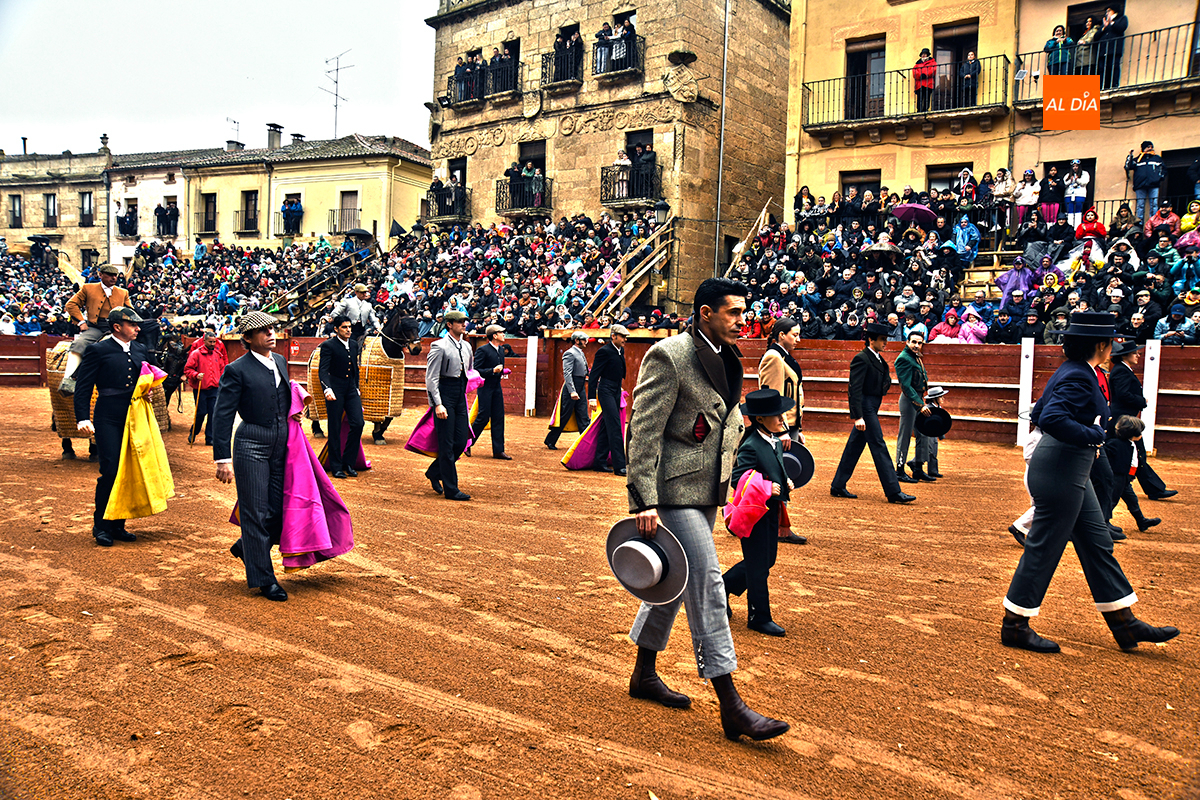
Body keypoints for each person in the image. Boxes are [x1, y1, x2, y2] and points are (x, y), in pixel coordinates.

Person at [625, 276, 789, 742]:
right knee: (709, 582)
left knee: (673, 585)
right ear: (705, 313)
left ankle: (643, 674)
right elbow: (644, 431)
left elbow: (722, 417)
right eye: (734, 312)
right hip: (673, 494)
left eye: (743, 311)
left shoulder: (728, 356)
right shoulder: (670, 354)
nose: (743, 320)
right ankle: (730, 703)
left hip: (707, 491)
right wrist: (645, 499)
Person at [1001, 311, 1179, 653]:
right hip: (1060, 470)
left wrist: (1087, 436)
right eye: (1112, 340)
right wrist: (1094, 434)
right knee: (1045, 547)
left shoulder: (1080, 372)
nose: (1114, 345)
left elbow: (1038, 414)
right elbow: (1051, 417)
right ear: (1101, 343)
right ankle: (1015, 624)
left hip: (1068, 469)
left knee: (1098, 543)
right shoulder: (1080, 376)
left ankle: (1124, 623)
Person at [212, 311, 294, 602]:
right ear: (247, 338)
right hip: (251, 445)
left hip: (281, 444)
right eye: (263, 330)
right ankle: (264, 578)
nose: (271, 334)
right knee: (255, 512)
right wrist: (222, 457)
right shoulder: (237, 369)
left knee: (280, 510)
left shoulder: (281, 362)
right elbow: (222, 414)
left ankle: (247, 547)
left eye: (272, 328)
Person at [73, 307, 150, 547]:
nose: (138, 328)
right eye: (132, 324)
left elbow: (149, 377)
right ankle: (102, 525)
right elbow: (84, 386)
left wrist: (146, 391)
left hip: (134, 416)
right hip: (108, 416)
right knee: (111, 469)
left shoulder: (140, 349)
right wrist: (83, 417)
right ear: (117, 327)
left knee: (129, 470)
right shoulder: (98, 350)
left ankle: (118, 524)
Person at [723, 389, 795, 637]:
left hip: (769, 510)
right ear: (760, 419)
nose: (781, 418)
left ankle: (723, 586)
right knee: (758, 565)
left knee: (766, 561)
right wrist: (767, 487)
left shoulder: (771, 439)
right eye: (776, 414)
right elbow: (737, 478)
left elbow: (775, 467)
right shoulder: (752, 445)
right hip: (755, 513)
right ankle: (758, 616)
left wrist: (784, 481)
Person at [830, 321, 915, 504]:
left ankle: (837, 485)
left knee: (854, 446)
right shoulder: (862, 358)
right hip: (866, 408)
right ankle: (893, 491)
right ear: (871, 340)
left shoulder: (876, 358)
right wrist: (858, 416)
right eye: (882, 339)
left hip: (872, 406)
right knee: (878, 445)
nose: (885, 343)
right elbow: (855, 389)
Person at [1107, 340, 1178, 501]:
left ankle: (1152, 488)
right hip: (1123, 421)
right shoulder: (1121, 371)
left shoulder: (1122, 370)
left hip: (1123, 418)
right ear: (1125, 355)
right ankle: (1151, 489)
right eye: (1135, 353)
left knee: (1135, 453)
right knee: (1135, 453)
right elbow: (1123, 394)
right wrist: (1141, 401)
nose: (1138, 355)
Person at [757, 317, 807, 545]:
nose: (798, 339)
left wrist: (797, 427)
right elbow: (772, 398)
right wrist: (781, 429)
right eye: (794, 334)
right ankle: (777, 528)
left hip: (788, 426)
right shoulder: (773, 357)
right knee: (778, 477)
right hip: (780, 428)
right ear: (781, 336)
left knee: (780, 477)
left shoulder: (782, 357)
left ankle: (776, 526)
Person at [424, 310, 474, 501]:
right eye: (460, 322)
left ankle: (434, 471)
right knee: (446, 443)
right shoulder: (439, 346)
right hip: (445, 394)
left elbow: (468, 371)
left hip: (459, 394)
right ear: (449, 325)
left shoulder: (467, 347)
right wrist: (437, 404)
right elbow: (431, 378)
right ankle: (451, 489)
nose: (464, 324)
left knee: (461, 442)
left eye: (465, 321)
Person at [59, 264, 131, 396]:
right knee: (80, 343)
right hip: (95, 327)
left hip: (117, 329)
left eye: (115, 275)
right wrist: (81, 322)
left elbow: (130, 312)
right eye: (109, 275)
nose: (113, 278)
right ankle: (68, 380)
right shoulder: (88, 288)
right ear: (100, 275)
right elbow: (71, 304)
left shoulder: (123, 292)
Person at [319, 316, 365, 479]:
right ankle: (336, 466)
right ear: (336, 329)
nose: (348, 330)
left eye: (349, 327)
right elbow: (323, 371)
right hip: (335, 389)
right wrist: (327, 389)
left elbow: (355, 368)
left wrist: (357, 387)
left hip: (350, 388)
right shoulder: (327, 346)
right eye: (344, 327)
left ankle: (349, 462)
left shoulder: (353, 344)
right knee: (335, 428)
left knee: (358, 423)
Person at [1103, 416, 1161, 533]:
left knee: (1132, 500)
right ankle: (1104, 523)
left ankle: (1141, 521)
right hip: (1117, 478)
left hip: (1125, 478)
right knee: (1111, 500)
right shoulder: (1114, 444)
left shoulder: (1129, 443)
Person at [894, 330, 936, 484]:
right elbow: (905, 386)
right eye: (914, 342)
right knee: (905, 435)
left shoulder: (915, 357)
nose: (916, 345)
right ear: (907, 342)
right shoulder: (904, 359)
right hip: (909, 400)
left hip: (918, 397)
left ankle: (918, 468)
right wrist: (920, 405)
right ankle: (899, 469)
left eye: (919, 343)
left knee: (923, 433)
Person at [589, 324, 628, 475]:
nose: (625, 339)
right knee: (615, 426)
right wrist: (592, 397)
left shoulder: (620, 350)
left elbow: (617, 371)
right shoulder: (604, 351)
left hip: (615, 390)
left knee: (607, 426)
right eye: (623, 336)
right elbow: (594, 375)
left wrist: (619, 387)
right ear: (614, 336)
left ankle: (599, 461)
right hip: (605, 390)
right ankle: (619, 466)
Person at [468, 324, 511, 459]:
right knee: (483, 417)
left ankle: (498, 450)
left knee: (498, 417)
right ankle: (467, 443)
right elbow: (476, 370)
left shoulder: (500, 350)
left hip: (496, 387)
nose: (504, 335)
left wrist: (501, 371)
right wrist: (492, 371)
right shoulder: (483, 350)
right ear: (494, 335)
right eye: (501, 333)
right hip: (485, 387)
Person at [545, 331, 590, 449]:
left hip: (580, 386)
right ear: (576, 340)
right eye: (584, 339)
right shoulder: (569, 353)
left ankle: (585, 442)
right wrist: (572, 391)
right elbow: (567, 373)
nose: (586, 342)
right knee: (564, 415)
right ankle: (550, 440)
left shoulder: (580, 352)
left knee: (583, 415)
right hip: (572, 386)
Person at [184, 328, 227, 446]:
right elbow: (187, 369)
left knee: (213, 414)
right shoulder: (196, 354)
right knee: (201, 413)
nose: (213, 344)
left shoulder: (218, 355)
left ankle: (210, 438)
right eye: (210, 342)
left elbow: (223, 369)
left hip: (214, 389)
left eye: (214, 342)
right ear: (204, 341)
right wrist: (196, 375)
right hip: (200, 389)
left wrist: (222, 379)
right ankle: (193, 432)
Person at [1125, 141, 1163, 225]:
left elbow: (1163, 169)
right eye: (1148, 147)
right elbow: (1128, 166)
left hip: (1154, 184)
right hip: (1140, 185)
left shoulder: (1157, 158)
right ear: (1144, 148)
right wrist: (1130, 156)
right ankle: (1139, 223)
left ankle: (1153, 223)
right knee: (1140, 205)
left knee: (1154, 204)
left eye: (1151, 147)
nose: (1150, 148)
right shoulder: (1138, 159)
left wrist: (1159, 178)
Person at [1095, 4, 1128, 90]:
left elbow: (1121, 28)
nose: (1107, 13)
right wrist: (1103, 28)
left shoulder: (1121, 19)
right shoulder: (1104, 24)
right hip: (1103, 51)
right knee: (1102, 69)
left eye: (1108, 11)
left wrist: (1112, 23)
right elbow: (1096, 37)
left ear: (1114, 10)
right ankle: (1102, 87)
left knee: (1113, 67)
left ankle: (1114, 86)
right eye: (1106, 12)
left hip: (1114, 49)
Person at [1063, 160, 1090, 228]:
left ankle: (1077, 227)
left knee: (1078, 211)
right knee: (1069, 212)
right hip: (1068, 195)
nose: (1075, 168)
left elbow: (1085, 182)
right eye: (1073, 166)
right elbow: (1064, 184)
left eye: (1076, 166)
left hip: (1080, 194)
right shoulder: (1068, 175)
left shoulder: (1084, 173)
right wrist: (1070, 180)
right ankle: (1070, 227)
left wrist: (1077, 179)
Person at [912, 49, 937, 113]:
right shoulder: (917, 64)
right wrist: (920, 76)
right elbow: (914, 72)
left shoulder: (932, 63)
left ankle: (925, 109)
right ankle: (919, 109)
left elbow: (933, 70)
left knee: (927, 97)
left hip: (928, 84)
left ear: (927, 55)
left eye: (925, 54)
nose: (923, 55)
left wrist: (925, 75)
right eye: (922, 54)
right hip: (919, 84)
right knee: (919, 97)